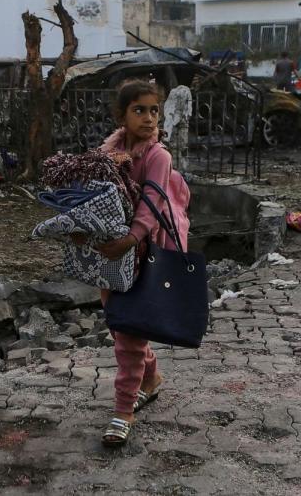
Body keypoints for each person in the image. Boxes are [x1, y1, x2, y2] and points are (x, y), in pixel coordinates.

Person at [93, 79, 191, 447]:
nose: (149, 118)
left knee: (130, 334)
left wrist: (130, 240)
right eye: (139, 110)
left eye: (154, 110)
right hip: (111, 254)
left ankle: (123, 410)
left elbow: (151, 203)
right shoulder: (107, 153)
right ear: (121, 115)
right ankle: (151, 379)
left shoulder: (157, 156)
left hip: (144, 252)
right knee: (120, 326)